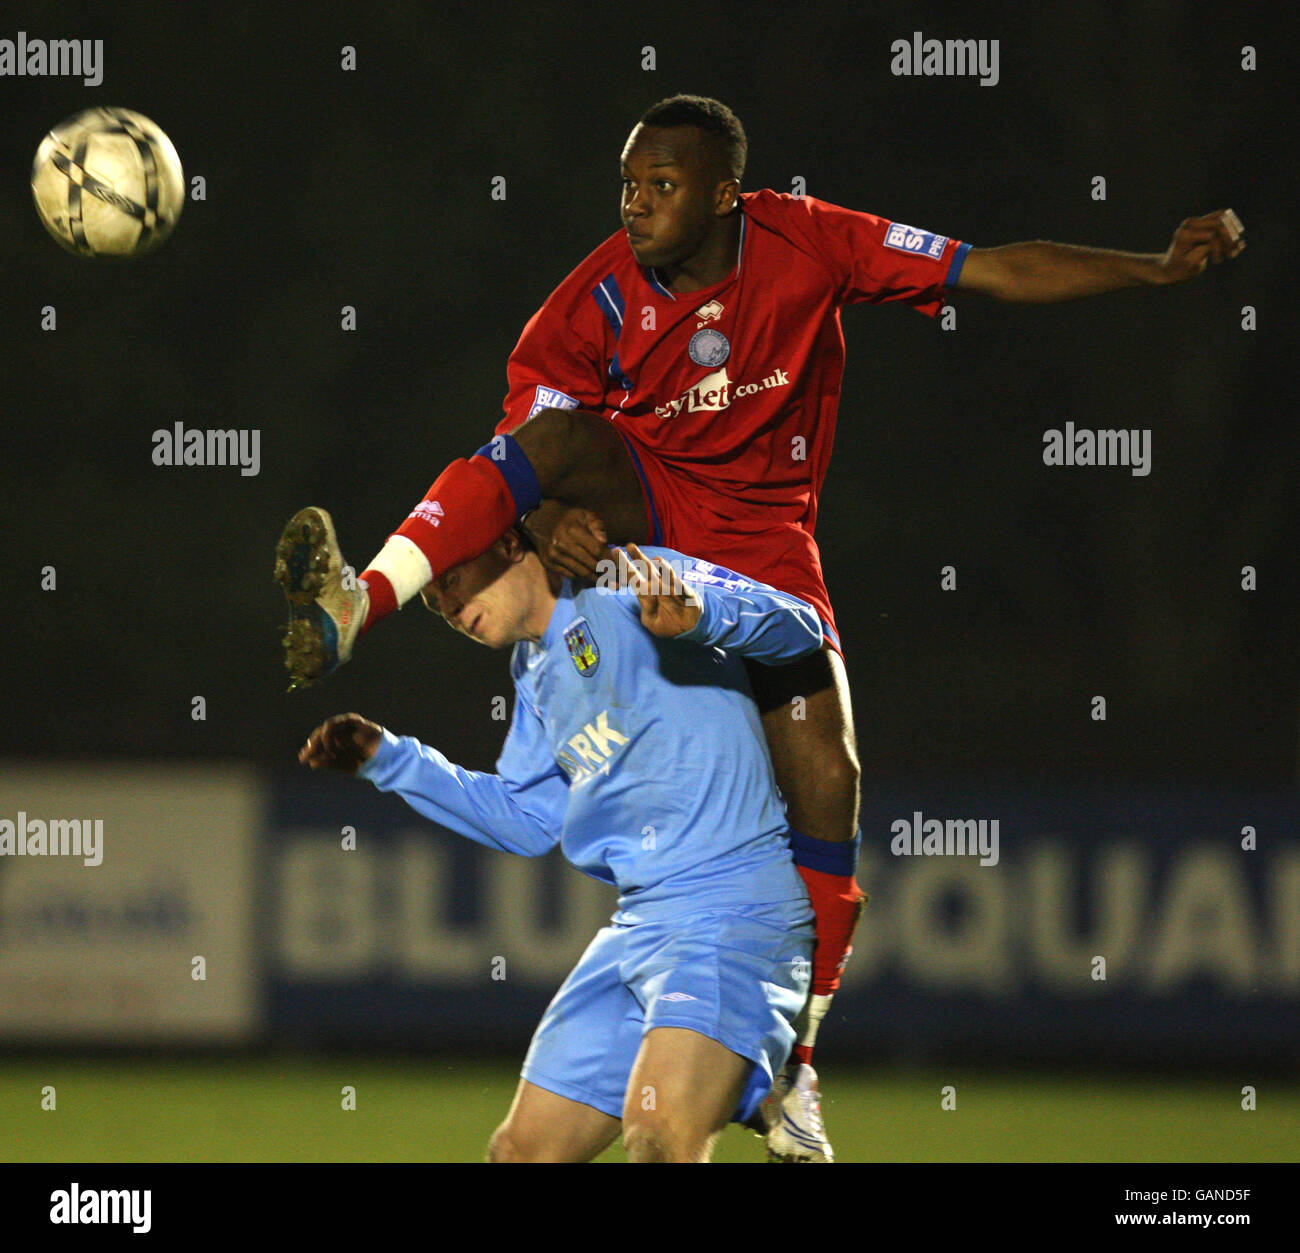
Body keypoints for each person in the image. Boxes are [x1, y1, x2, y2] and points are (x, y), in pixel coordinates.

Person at [277, 93, 1244, 1157]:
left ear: (726, 192)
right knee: (553, 438)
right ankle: (361, 599)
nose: (637, 205)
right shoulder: (594, 298)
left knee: (828, 778)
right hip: (654, 503)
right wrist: (550, 519)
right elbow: (520, 449)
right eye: (626, 186)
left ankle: (797, 1066)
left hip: (764, 549)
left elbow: (991, 269)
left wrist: (1153, 267)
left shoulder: (811, 240)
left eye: (662, 186)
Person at [294, 512, 828, 1162]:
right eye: (434, 601)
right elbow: (527, 816)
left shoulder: (626, 577)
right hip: (639, 930)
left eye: (453, 578)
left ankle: (761, 1080)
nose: (449, 605)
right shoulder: (535, 669)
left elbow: (802, 626)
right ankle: (759, 1085)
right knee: (521, 1154)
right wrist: (389, 757)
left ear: (510, 543)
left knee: (658, 1137)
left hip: (733, 913)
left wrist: (707, 616)